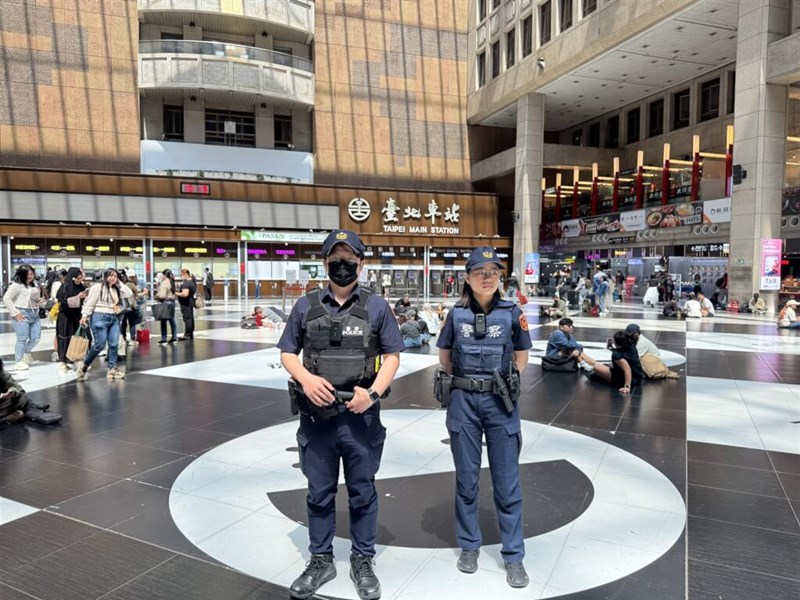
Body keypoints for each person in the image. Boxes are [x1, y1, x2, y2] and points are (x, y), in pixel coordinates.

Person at [278, 229, 403, 600]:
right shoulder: (306, 306)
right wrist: (305, 377)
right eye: (336, 259)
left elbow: (394, 355)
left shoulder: (377, 306)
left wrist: (374, 393)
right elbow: (287, 351)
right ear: (325, 262)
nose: (343, 265)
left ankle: (363, 560)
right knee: (319, 493)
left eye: (350, 259)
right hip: (317, 418)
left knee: (363, 492)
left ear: (361, 264)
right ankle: (321, 559)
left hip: (361, 418)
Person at [436, 246, 532, 589]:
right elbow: (445, 357)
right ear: (467, 277)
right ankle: (469, 546)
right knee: (467, 480)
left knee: (507, 483)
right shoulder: (455, 315)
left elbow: (522, 356)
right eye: (480, 271)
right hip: (463, 401)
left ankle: (514, 556)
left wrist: (503, 383)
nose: (488, 277)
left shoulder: (511, 312)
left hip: (500, 403)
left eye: (493, 272)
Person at [77, 268, 133, 381]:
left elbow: (129, 293)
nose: (112, 278)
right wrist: (84, 315)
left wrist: (119, 282)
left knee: (114, 344)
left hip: (114, 318)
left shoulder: (116, 288)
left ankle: (112, 369)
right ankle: (84, 365)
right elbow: (90, 301)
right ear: (105, 276)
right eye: (110, 275)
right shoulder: (97, 287)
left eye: (115, 276)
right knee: (99, 344)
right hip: (99, 317)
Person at [3, 264, 46, 371]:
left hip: (34, 314)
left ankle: (25, 352)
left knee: (36, 338)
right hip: (21, 313)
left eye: (31, 274)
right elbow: (6, 298)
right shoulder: (16, 285)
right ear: (22, 275)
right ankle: (19, 361)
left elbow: (35, 299)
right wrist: (15, 313)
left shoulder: (34, 284)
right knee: (22, 339)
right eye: (27, 274)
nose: (30, 276)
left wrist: (40, 301)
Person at [55, 268, 88, 373]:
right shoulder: (64, 287)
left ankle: (73, 359)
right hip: (65, 317)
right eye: (77, 278)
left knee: (76, 338)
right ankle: (63, 362)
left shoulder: (80, 286)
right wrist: (78, 297)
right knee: (64, 338)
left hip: (76, 316)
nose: (79, 280)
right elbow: (64, 303)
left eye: (80, 278)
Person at [0, 358, 31, 424]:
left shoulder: (2, 373)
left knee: (23, 399)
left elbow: (19, 389)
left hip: (2, 404)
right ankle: (4, 419)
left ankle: (4, 416)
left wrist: (13, 393)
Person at [155, 269, 178, 344]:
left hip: (165, 303)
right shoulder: (172, 282)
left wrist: (157, 296)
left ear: (164, 275)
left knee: (163, 321)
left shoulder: (164, 283)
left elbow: (162, 296)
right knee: (172, 320)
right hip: (172, 302)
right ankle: (174, 337)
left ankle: (164, 338)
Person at [175, 269, 197, 341]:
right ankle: (190, 334)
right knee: (190, 318)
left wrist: (176, 293)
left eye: (182, 275)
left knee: (187, 318)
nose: (181, 276)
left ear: (185, 274)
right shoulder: (192, 282)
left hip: (186, 303)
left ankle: (187, 334)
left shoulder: (187, 283)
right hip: (190, 302)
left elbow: (185, 294)